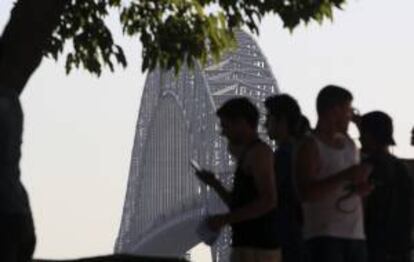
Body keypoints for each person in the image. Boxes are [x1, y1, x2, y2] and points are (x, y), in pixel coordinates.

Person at [195, 98, 280, 262]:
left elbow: (269, 201)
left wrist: (224, 219)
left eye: (225, 126)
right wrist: (215, 184)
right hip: (247, 247)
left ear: (241, 123)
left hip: (258, 249)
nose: (222, 132)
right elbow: (240, 205)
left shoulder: (259, 154)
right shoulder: (248, 155)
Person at [295, 85, 372, 262]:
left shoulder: (350, 145)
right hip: (324, 237)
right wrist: (345, 176)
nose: (350, 116)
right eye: (348, 110)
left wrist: (360, 188)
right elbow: (305, 193)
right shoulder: (310, 145)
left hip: (355, 236)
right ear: (335, 110)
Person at [358, 111, 413, 262]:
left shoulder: (367, 168)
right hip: (401, 247)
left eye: (362, 133)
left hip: (376, 247)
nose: (360, 138)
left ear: (369, 135)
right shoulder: (401, 168)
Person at [264, 94, 307, 262]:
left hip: (285, 240)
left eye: (268, 118)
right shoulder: (302, 151)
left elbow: (267, 199)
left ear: (281, 121)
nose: (265, 123)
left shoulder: (282, 156)